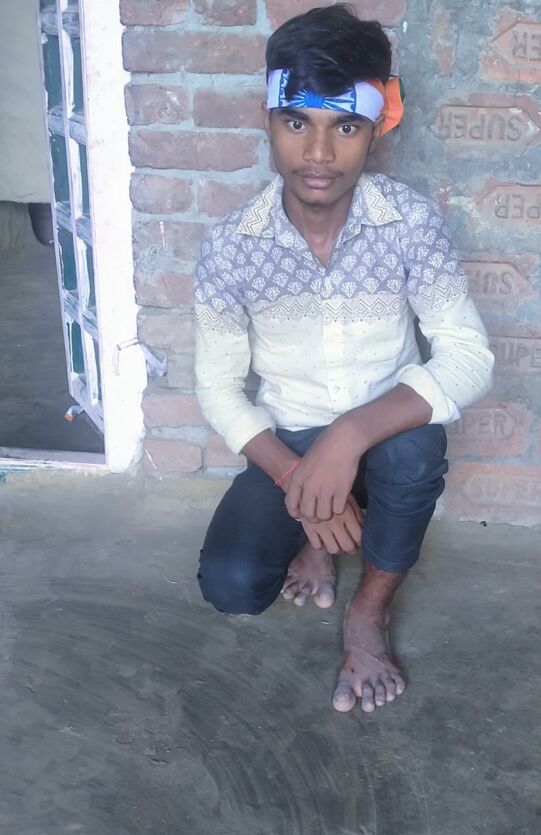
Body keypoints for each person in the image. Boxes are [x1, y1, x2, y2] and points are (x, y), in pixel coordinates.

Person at [193, 4, 494, 713]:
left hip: (385, 432)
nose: (320, 154)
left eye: (346, 127)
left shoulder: (409, 223)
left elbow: (468, 355)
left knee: (416, 450)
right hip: (291, 437)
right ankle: (316, 533)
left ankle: (368, 612)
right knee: (232, 587)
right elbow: (217, 385)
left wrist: (350, 435)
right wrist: (299, 478)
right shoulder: (231, 246)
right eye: (298, 123)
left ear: (377, 126)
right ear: (267, 120)